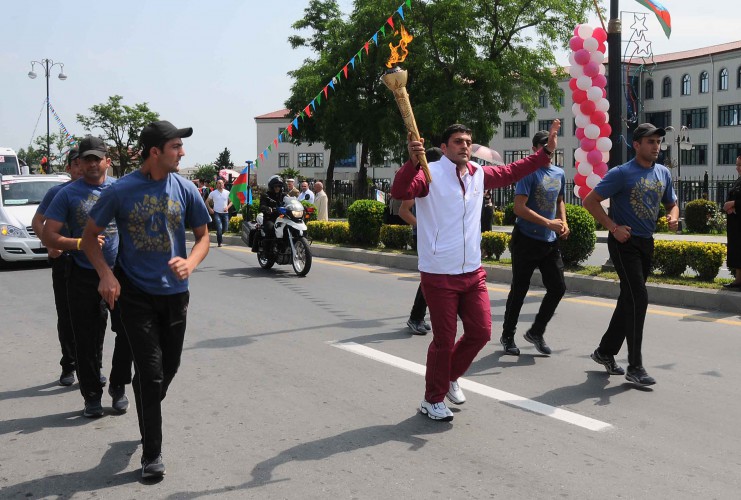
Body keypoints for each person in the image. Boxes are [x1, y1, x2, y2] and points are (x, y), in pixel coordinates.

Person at [391, 120, 560, 421]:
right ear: (444, 148)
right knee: (444, 340)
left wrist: (544, 153)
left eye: (468, 141)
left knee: (481, 332)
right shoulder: (429, 174)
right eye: (457, 141)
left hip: (472, 271)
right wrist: (411, 161)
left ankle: (450, 377)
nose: (464, 146)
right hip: (439, 272)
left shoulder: (478, 174)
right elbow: (400, 189)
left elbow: (512, 172)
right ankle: (432, 399)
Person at [81, 120, 211, 479]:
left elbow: (203, 236)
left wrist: (192, 261)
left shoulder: (185, 189)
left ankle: (142, 390)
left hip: (175, 296)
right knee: (152, 375)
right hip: (134, 294)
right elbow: (90, 236)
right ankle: (151, 455)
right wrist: (106, 275)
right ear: (155, 152)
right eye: (175, 147)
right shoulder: (120, 191)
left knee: (167, 369)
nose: (182, 153)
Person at [583, 123, 678, 387]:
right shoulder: (621, 173)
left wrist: (672, 216)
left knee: (629, 300)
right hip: (624, 243)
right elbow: (589, 201)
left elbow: (672, 203)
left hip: (646, 243)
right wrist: (613, 227)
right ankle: (635, 366)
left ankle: (605, 351)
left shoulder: (663, 173)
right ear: (636, 145)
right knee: (639, 298)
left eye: (658, 141)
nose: (656, 146)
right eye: (650, 142)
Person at [42, 137, 132, 417]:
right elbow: (49, 234)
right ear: (79, 163)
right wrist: (80, 243)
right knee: (86, 337)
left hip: (122, 273)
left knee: (128, 332)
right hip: (82, 274)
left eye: (98, 158)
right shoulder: (67, 194)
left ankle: (118, 385)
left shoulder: (123, 189)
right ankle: (91, 395)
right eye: (87, 159)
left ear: (107, 161)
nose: (93, 164)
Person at [500, 131, 569, 357]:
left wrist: (563, 222)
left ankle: (536, 331)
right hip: (526, 239)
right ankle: (507, 335)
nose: (547, 149)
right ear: (534, 149)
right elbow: (519, 208)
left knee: (558, 288)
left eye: (550, 145)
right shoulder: (527, 172)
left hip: (549, 241)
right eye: (542, 146)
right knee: (519, 289)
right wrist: (547, 222)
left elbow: (560, 201)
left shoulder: (559, 173)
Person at [31, 148, 82, 386]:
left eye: (88, 161)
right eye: (77, 163)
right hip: (65, 263)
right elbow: (37, 221)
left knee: (94, 318)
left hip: (95, 262)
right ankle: (69, 365)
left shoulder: (104, 190)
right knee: (67, 315)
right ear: (69, 167)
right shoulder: (57, 192)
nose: (83, 167)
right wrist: (49, 244)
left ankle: (90, 366)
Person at [400, 148, 442, 336]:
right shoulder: (419, 181)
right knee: (430, 277)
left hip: (439, 236)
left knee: (434, 277)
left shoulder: (437, 181)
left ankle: (418, 316)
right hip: (425, 237)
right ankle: (415, 317)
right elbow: (403, 211)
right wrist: (421, 226)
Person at [722, 153, 741, 289]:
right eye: (737, 164)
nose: (737, 168)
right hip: (735, 223)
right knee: (737, 251)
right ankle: (738, 280)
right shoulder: (738, 181)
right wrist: (729, 207)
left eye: (740, 165)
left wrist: (734, 203)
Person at [206, 179, 232, 247]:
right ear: (216, 185)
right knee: (219, 228)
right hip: (216, 213)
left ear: (223, 184)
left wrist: (227, 207)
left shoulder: (227, 192)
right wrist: (210, 209)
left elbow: (231, 202)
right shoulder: (213, 193)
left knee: (225, 229)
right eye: (219, 183)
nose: (220, 185)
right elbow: (207, 202)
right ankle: (219, 242)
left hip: (225, 213)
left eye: (222, 183)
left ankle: (219, 234)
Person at [260, 175, 286, 242]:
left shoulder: (284, 195)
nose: (277, 188)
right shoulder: (266, 195)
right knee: (270, 228)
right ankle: (267, 250)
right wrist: (267, 208)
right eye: (275, 186)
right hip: (271, 218)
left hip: (283, 218)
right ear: (272, 187)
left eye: (279, 186)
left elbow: (291, 201)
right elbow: (262, 206)